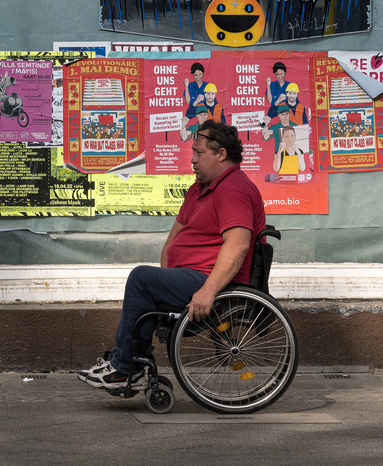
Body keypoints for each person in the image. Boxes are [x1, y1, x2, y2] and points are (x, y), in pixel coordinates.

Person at [79, 120, 266, 393]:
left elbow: (238, 246)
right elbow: (172, 242)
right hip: (189, 275)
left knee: (141, 277)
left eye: (199, 153)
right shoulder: (199, 189)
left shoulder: (233, 189)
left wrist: (207, 291)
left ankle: (123, 368)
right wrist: (165, 278)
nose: (192, 160)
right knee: (147, 282)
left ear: (221, 154)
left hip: (209, 281)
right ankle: (131, 365)